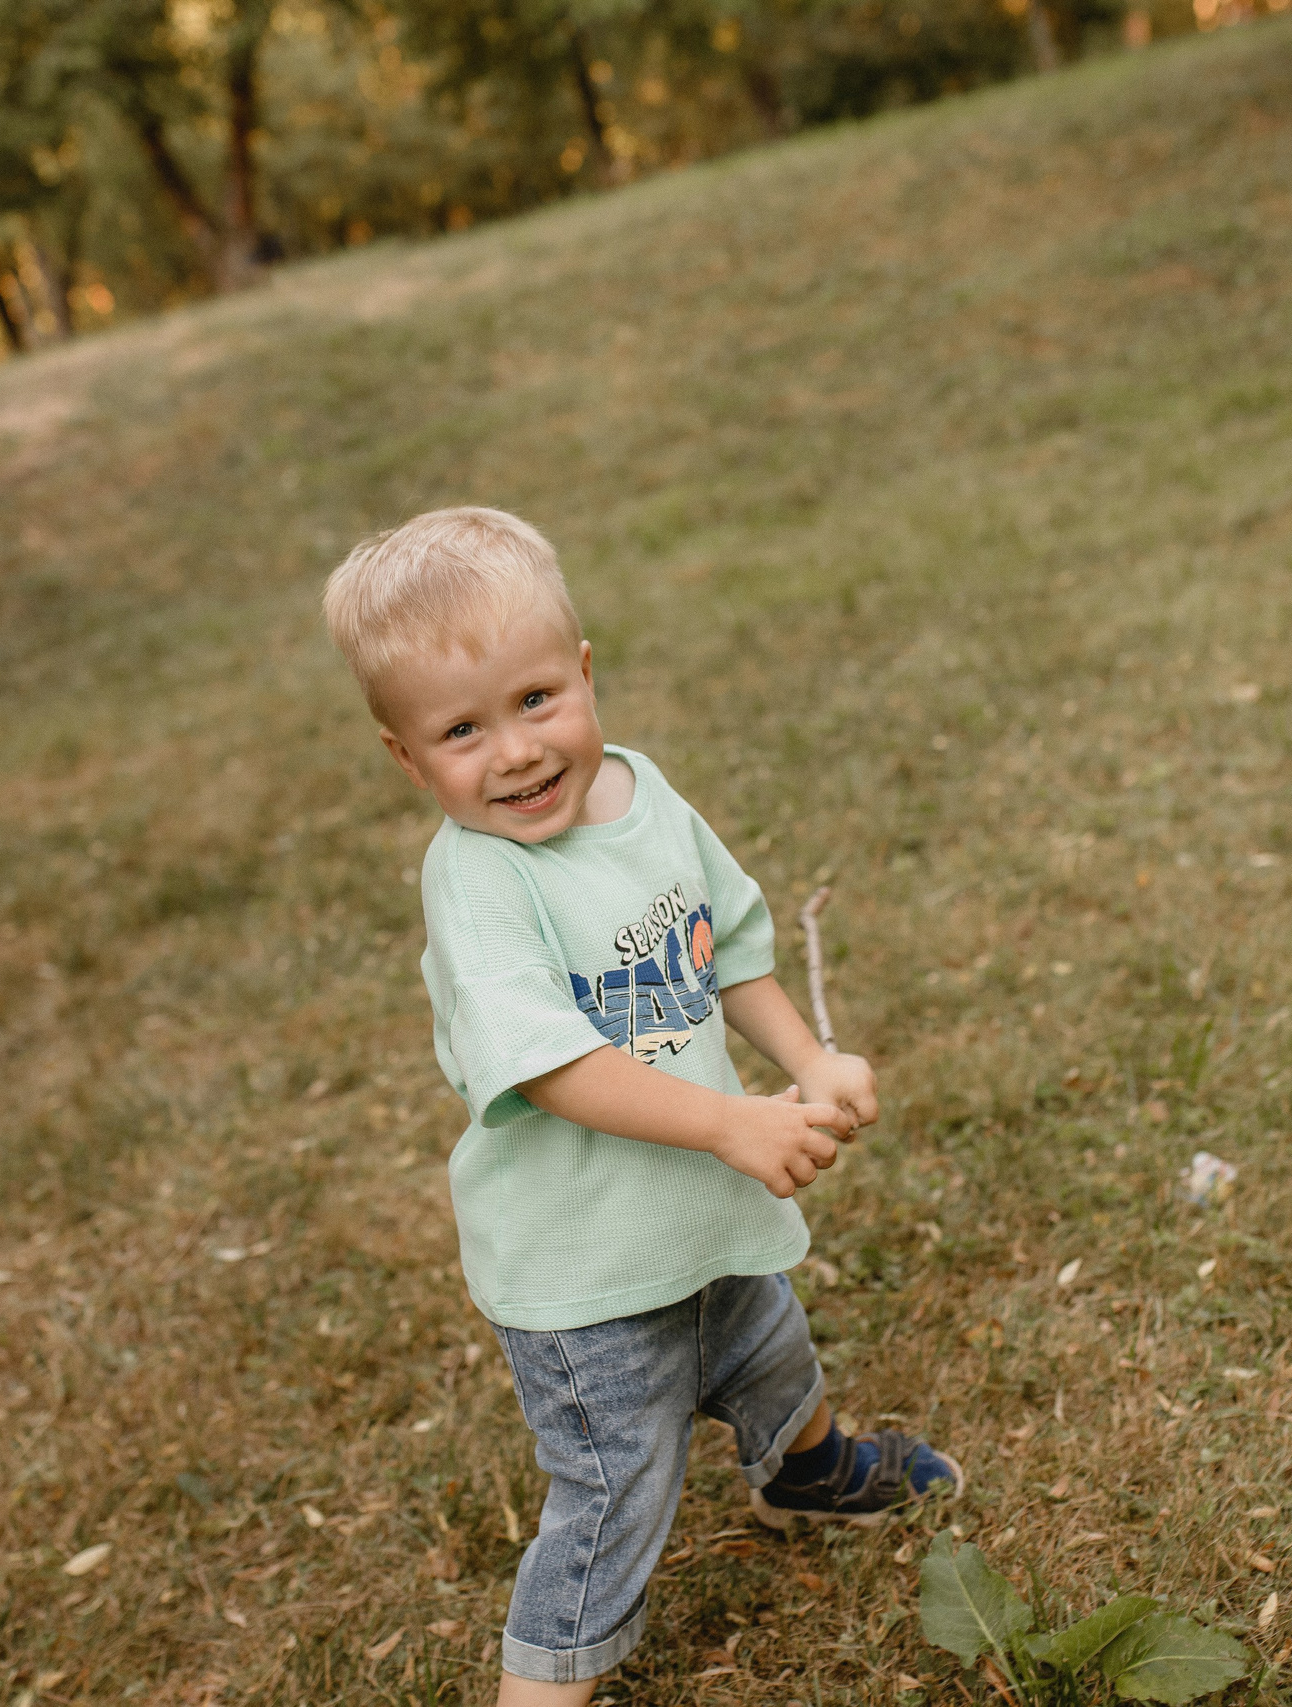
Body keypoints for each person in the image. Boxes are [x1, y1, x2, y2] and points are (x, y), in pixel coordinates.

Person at [321, 507, 964, 1705]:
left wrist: (806, 1059)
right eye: (461, 730)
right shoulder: (481, 882)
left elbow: (726, 952)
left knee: (768, 1346)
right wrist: (732, 1122)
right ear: (406, 759)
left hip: (696, 1211)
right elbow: (551, 1064)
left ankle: (807, 1471)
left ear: (583, 674)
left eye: (534, 701)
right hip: (586, 1270)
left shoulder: (645, 795)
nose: (513, 752)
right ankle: (542, 1687)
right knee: (615, 1488)